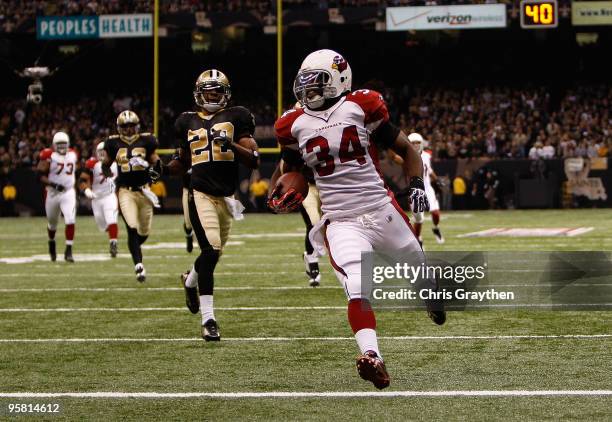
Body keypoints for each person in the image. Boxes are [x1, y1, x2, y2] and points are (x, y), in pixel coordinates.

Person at [268, 49, 443, 390]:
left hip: (380, 206)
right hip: (340, 220)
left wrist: (417, 186)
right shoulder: (293, 124)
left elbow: (407, 150)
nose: (310, 91)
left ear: (340, 79)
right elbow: (289, 169)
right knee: (357, 290)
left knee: (420, 271)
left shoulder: (361, 106)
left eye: (318, 83)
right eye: (305, 84)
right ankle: (372, 356)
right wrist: (280, 188)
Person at [167, 69, 260, 341]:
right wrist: (160, 169)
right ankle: (208, 320)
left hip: (227, 198)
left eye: (217, 90)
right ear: (199, 92)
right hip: (200, 193)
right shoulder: (186, 121)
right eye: (208, 90)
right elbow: (182, 161)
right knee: (210, 250)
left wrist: (230, 144)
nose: (213, 95)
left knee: (213, 256)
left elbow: (253, 158)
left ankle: (189, 280)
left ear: (226, 93)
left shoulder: (237, 117)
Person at [101, 110, 161, 282]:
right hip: (125, 191)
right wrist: (109, 177)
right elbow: (105, 164)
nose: (128, 129)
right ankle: (139, 266)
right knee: (131, 227)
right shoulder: (112, 143)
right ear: (120, 127)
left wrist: (150, 167)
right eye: (125, 126)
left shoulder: (147, 140)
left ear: (137, 126)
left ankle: (134, 249)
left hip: (144, 191)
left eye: (131, 126)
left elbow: (156, 163)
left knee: (144, 232)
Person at [36, 131, 78, 262]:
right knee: (52, 223)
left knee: (70, 219)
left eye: (63, 144)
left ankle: (69, 250)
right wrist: (54, 185)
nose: (61, 147)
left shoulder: (73, 154)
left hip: (68, 192)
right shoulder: (49, 156)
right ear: (54, 145)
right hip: (52, 193)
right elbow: (39, 176)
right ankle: (51, 243)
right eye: (59, 144)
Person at [80, 142, 119, 257]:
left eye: (104, 152)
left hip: (109, 196)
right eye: (100, 152)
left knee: (111, 219)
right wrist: (86, 190)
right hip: (96, 198)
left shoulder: (117, 164)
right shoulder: (92, 163)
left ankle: (113, 243)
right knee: (102, 225)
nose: (102, 154)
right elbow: (82, 180)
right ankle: (112, 232)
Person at [407, 133, 444, 245]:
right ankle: (418, 240)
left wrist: (437, 180)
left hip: (428, 188)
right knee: (419, 220)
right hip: (416, 190)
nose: (416, 145)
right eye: (413, 143)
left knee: (436, 213)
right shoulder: (407, 156)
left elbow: (430, 170)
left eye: (418, 142)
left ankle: (436, 228)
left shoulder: (426, 156)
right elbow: (396, 158)